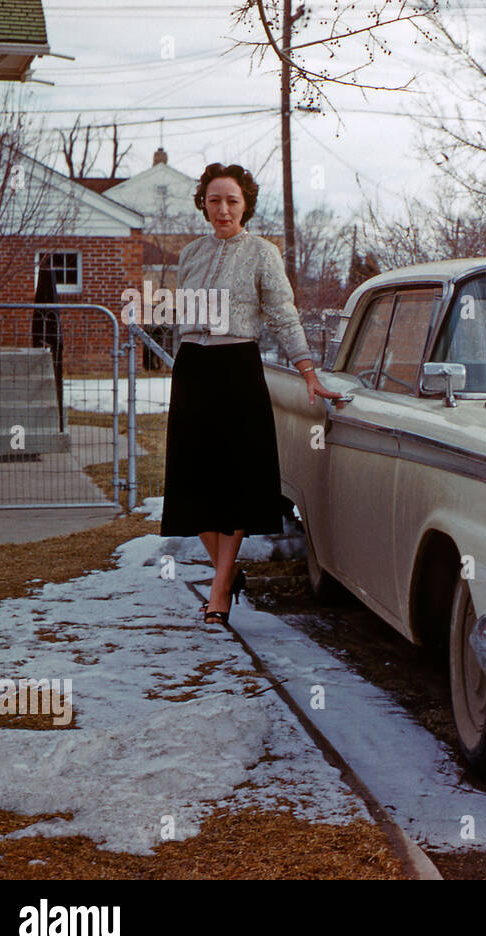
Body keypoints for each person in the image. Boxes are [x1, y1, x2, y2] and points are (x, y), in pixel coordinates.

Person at [159, 162, 342, 624]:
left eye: (232, 201)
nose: (223, 209)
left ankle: (220, 587)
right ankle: (228, 571)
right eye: (215, 199)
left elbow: (282, 315)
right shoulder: (190, 254)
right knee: (192, 476)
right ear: (203, 202)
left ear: (246, 206)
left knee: (235, 477)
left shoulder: (262, 253)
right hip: (193, 369)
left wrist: (307, 370)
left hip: (237, 367)